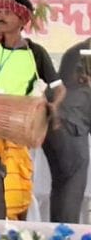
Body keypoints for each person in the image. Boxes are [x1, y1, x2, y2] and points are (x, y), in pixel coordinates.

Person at [0, 0, 65, 220]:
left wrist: (53, 106)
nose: (0, 17)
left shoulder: (35, 53)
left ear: (22, 20)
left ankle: (17, 234)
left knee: (15, 187)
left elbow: (59, 88)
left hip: (16, 129)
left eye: (7, 13)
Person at [45, 37, 91, 223]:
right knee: (72, 183)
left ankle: (58, 233)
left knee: (61, 183)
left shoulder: (76, 49)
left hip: (52, 121)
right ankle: (66, 236)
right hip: (72, 124)